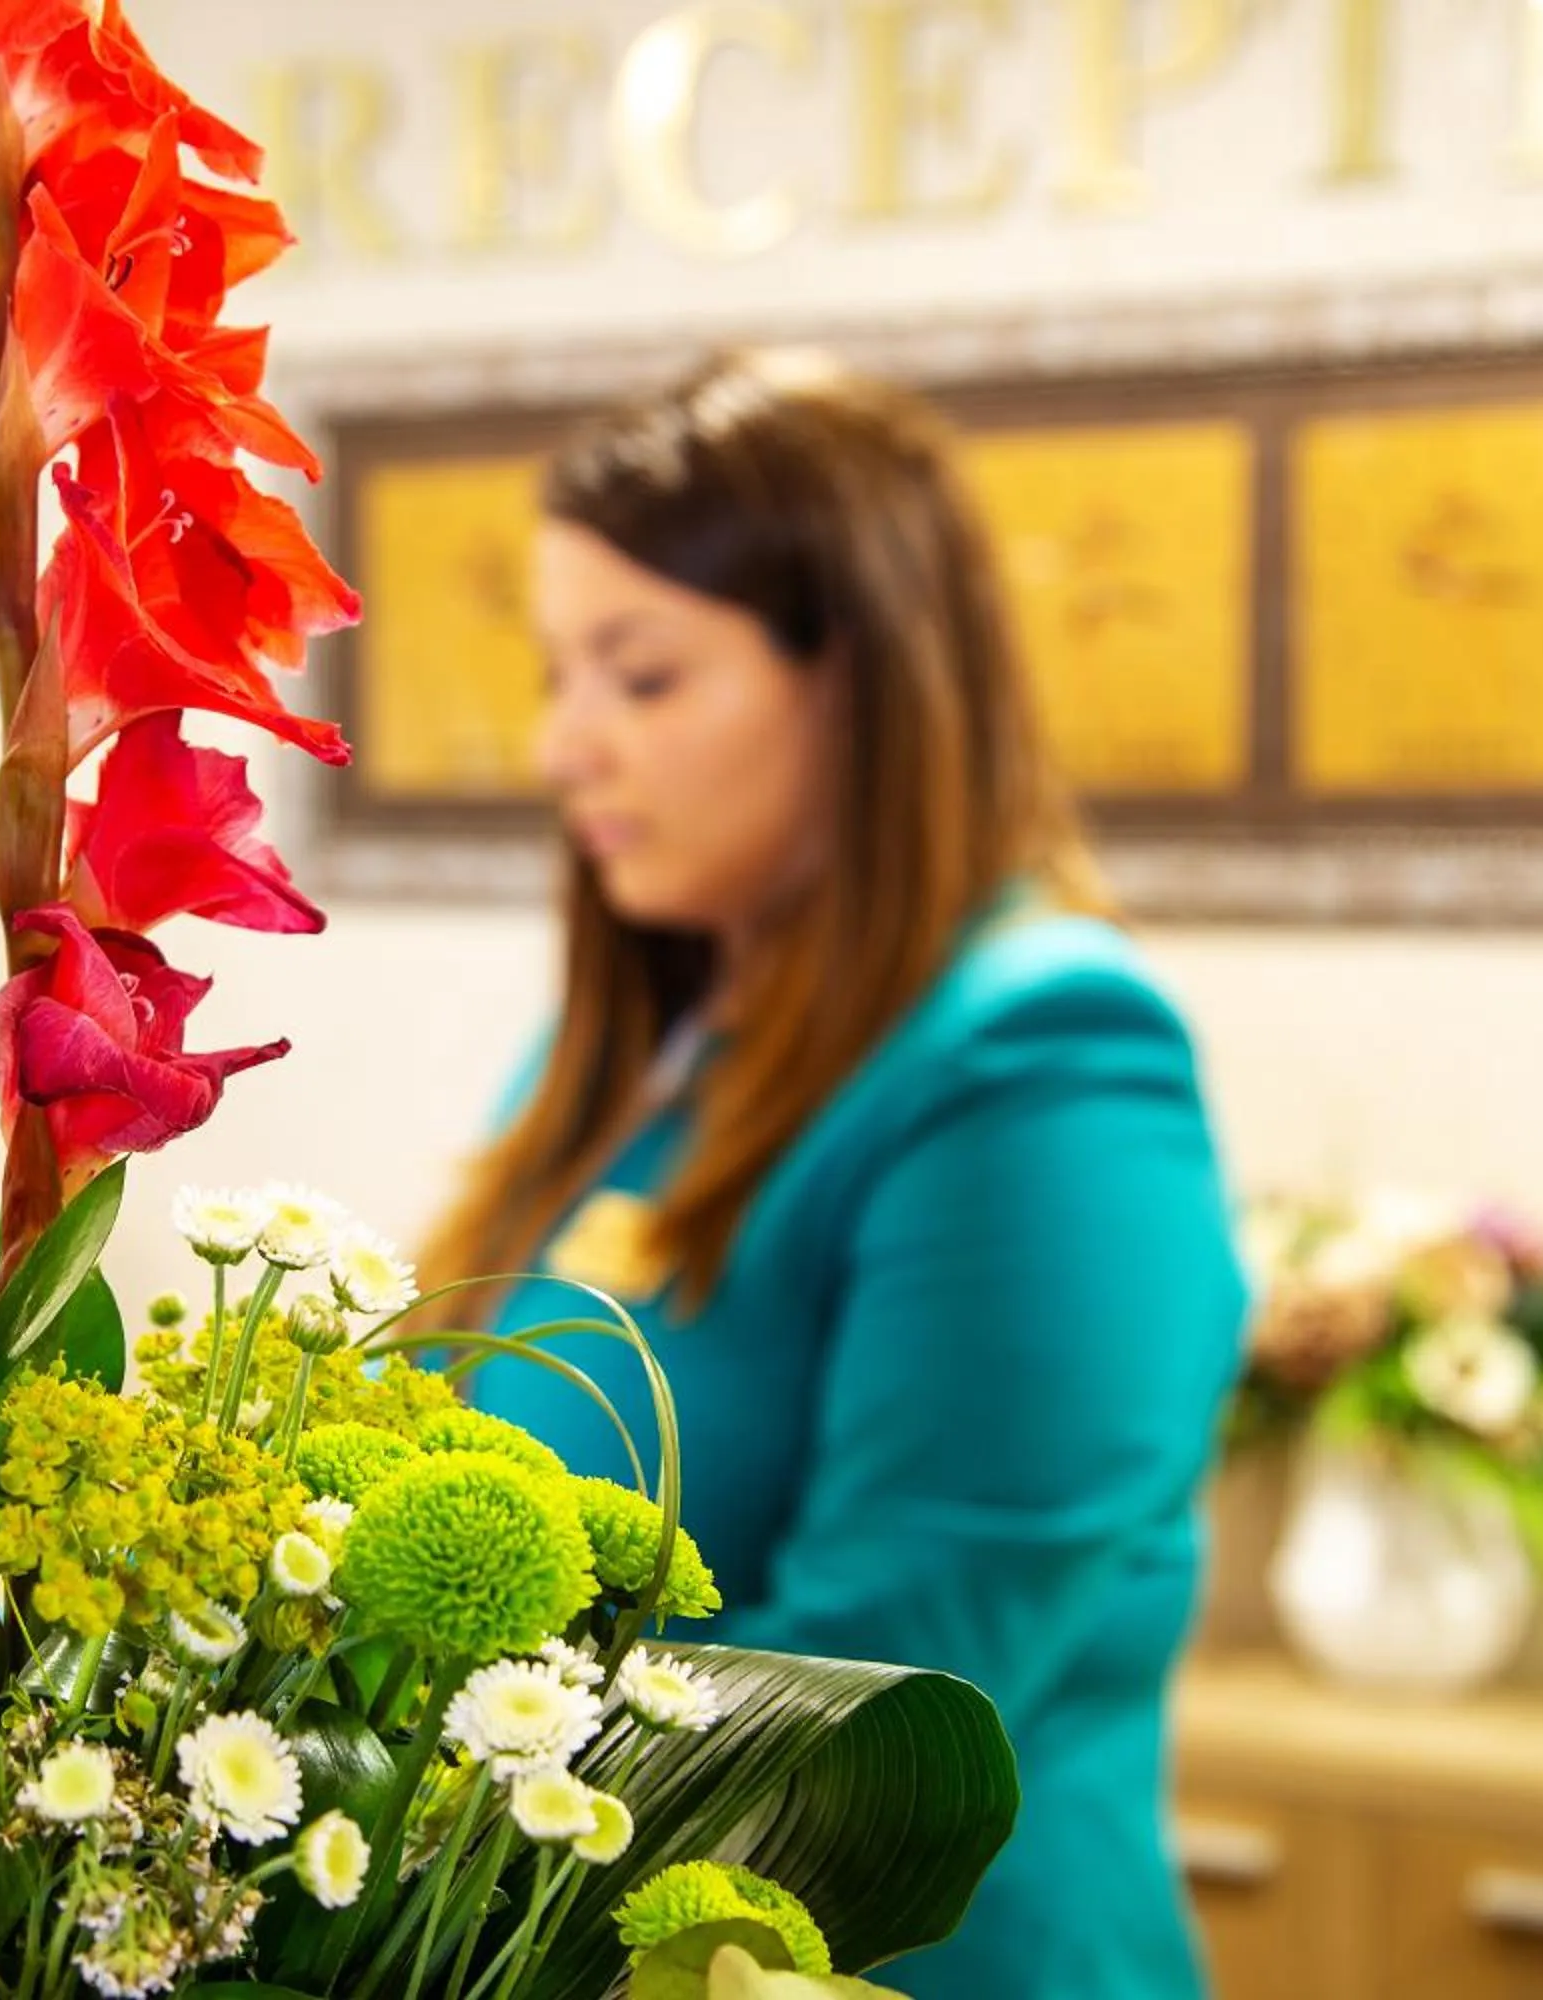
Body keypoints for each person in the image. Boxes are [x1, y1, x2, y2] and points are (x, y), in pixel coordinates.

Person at [423, 350, 1250, 1999]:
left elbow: (875, 1699)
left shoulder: (1046, 1065)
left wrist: (386, 1820)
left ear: (861, 684)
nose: (567, 745)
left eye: (642, 679)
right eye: (557, 674)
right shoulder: (636, 1047)